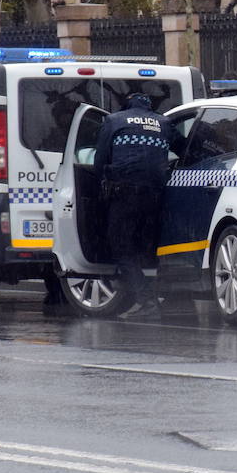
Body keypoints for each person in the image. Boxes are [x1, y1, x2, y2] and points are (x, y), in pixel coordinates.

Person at [93, 93, 180, 315]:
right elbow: (184, 148)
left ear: (128, 105)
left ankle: (147, 300)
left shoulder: (114, 120)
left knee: (121, 247)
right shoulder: (164, 123)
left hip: (125, 194)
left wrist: (100, 182)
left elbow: (100, 160)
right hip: (156, 195)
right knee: (149, 246)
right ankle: (176, 297)